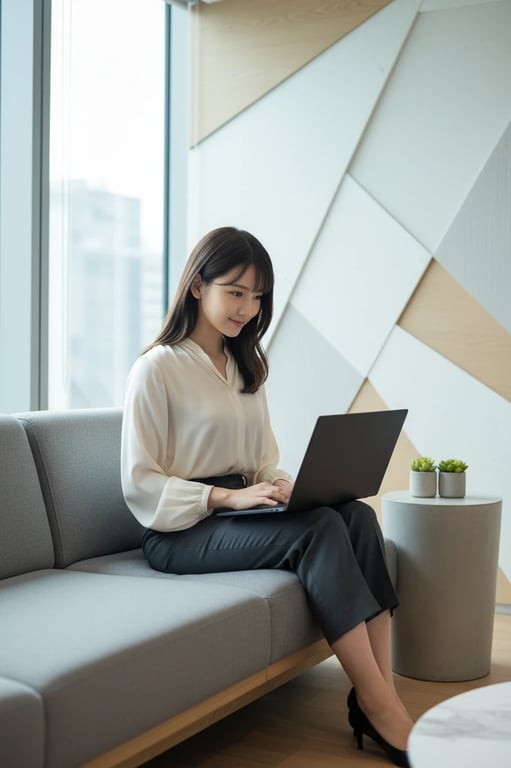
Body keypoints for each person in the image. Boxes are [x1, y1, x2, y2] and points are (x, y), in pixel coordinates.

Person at [120, 226, 414, 767]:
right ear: (196, 287)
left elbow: (259, 460)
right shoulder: (156, 368)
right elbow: (140, 482)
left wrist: (281, 485)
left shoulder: (244, 367)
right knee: (320, 530)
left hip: (241, 509)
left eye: (257, 297)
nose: (248, 309)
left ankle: (384, 693)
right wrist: (224, 500)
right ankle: (376, 705)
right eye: (236, 292)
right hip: (180, 530)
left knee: (355, 516)